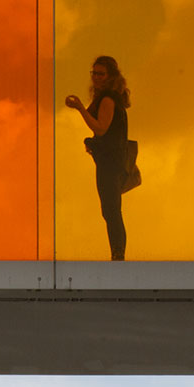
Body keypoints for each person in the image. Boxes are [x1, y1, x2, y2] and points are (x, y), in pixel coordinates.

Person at [64, 55, 131, 261]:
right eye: (94, 73)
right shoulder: (109, 98)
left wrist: (80, 109)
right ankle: (117, 253)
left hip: (110, 162)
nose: (96, 78)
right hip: (111, 160)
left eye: (101, 74)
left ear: (110, 76)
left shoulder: (108, 99)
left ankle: (118, 254)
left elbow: (100, 128)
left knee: (111, 210)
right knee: (110, 210)